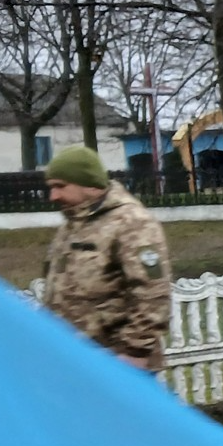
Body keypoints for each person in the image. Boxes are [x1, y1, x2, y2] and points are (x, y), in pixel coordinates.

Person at [40, 146, 173, 372]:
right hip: (77, 360)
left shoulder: (131, 223)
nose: (53, 196)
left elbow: (153, 293)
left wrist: (135, 353)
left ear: (89, 184)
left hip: (117, 364)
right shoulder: (72, 226)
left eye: (60, 187)